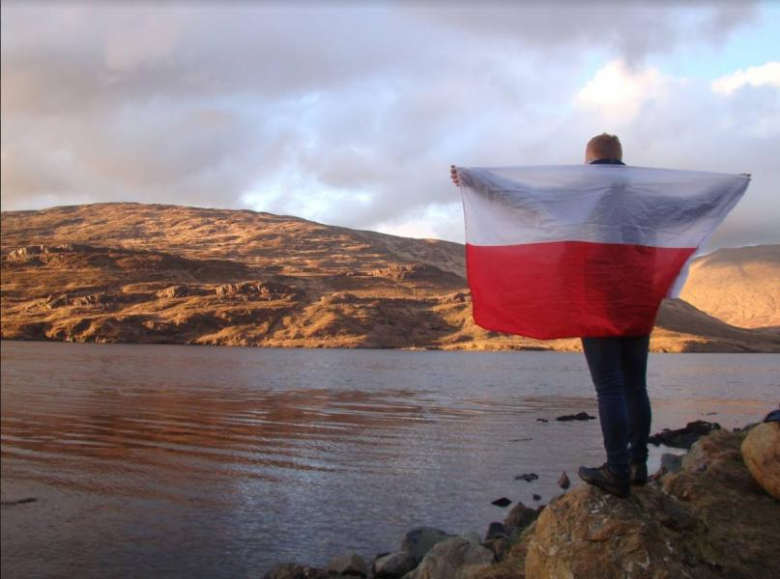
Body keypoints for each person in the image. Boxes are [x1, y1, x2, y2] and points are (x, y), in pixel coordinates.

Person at [450, 133, 649, 498]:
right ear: (621, 158)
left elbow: (524, 198)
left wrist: (474, 180)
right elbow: (692, 209)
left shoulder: (581, 192)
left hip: (598, 301)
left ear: (588, 160)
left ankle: (617, 470)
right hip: (638, 299)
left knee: (610, 386)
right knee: (636, 385)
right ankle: (638, 464)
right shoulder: (645, 193)